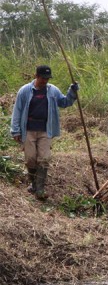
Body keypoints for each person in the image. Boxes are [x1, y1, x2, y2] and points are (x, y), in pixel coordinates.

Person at [10, 65, 79, 200]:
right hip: (28, 129)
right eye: (43, 78)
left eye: (47, 79)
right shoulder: (24, 91)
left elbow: (64, 102)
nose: (45, 81)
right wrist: (15, 130)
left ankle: (40, 190)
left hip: (45, 129)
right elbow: (17, 111)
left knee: (44, 159)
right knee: (30, 159)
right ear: (36, 76)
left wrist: (73, 92)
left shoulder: (53, 91)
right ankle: (34, 184)